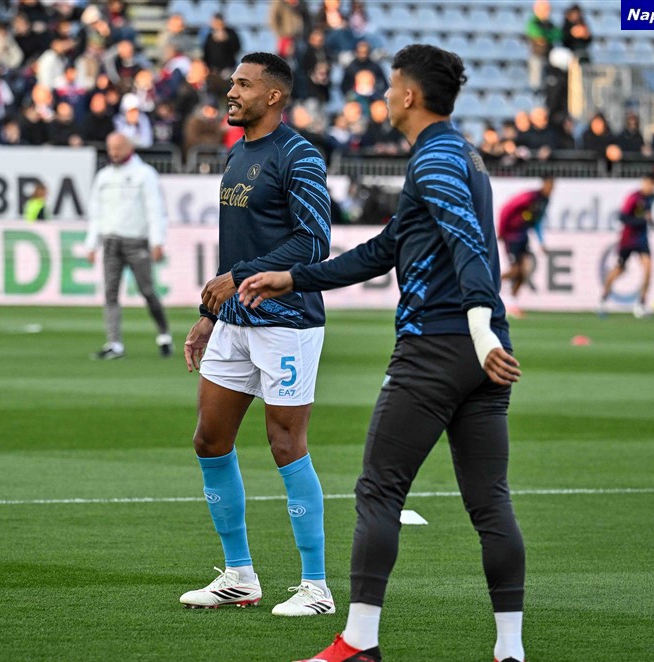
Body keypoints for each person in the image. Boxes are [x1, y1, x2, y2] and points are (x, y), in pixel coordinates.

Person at [238, 44, 526, 662]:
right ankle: (510, 651)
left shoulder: (436, 157)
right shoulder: (460, 153)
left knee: (379, 491)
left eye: (391, 86)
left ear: (409, 96)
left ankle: (359, 644)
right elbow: (386, 248)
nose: (385, 96)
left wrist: (480, 325)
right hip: (480, 355)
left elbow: (467, 241)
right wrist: (295, 277)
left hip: (438, 348)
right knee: (490, 503)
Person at [179, 53, 334, 617]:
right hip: (236, 320)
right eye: (232, 82)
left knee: (286, 444)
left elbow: (314, 242)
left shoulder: (299, 156)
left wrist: (239, 276)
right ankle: (239, 576)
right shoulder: (237, 153)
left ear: (274, 96)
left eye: (243, 84)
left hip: (287, 321)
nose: (231, 91)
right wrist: (210, 312)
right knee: (209, 440)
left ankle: (316, 587)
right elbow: (237, 248)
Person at [84, 133, 172, 360]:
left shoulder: (144, 174)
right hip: (110, 241)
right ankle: (114, 343)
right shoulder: (103, 177)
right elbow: (96, 212)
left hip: (136, 241)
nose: (113, 152)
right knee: (110, 293)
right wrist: (92, 243)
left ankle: (164, 334)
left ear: (129, 148)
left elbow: (155, 209)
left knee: (147, 291)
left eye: (118, 147)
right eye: (110, 147)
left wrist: (157, 241)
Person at [599, 175, 654, 318]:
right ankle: (603, 298)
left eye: (653, 184)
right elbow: (623, 217)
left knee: (648, 269)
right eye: (649, 183)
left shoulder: (651, 198)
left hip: (642, 240)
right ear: (643, 183)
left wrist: (651, 222)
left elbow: (647, 217)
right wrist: (642, 220)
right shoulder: (633, 197)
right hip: (628, 240)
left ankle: (641, 304)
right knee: (620, 269)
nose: (651, 187)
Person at [499, 178, 554, 317]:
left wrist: (541, 242)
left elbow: (537, 222)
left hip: (523, 237)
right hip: (512, 236)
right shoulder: (530, 197)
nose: (551, 189)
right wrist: (501, 230)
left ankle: (511, 302)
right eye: (549, 185)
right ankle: (491, 286)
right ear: (544, 184)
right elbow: (507, 209)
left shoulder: (544, 201)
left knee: (524, 272)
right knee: (515, 270)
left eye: (553, 186)